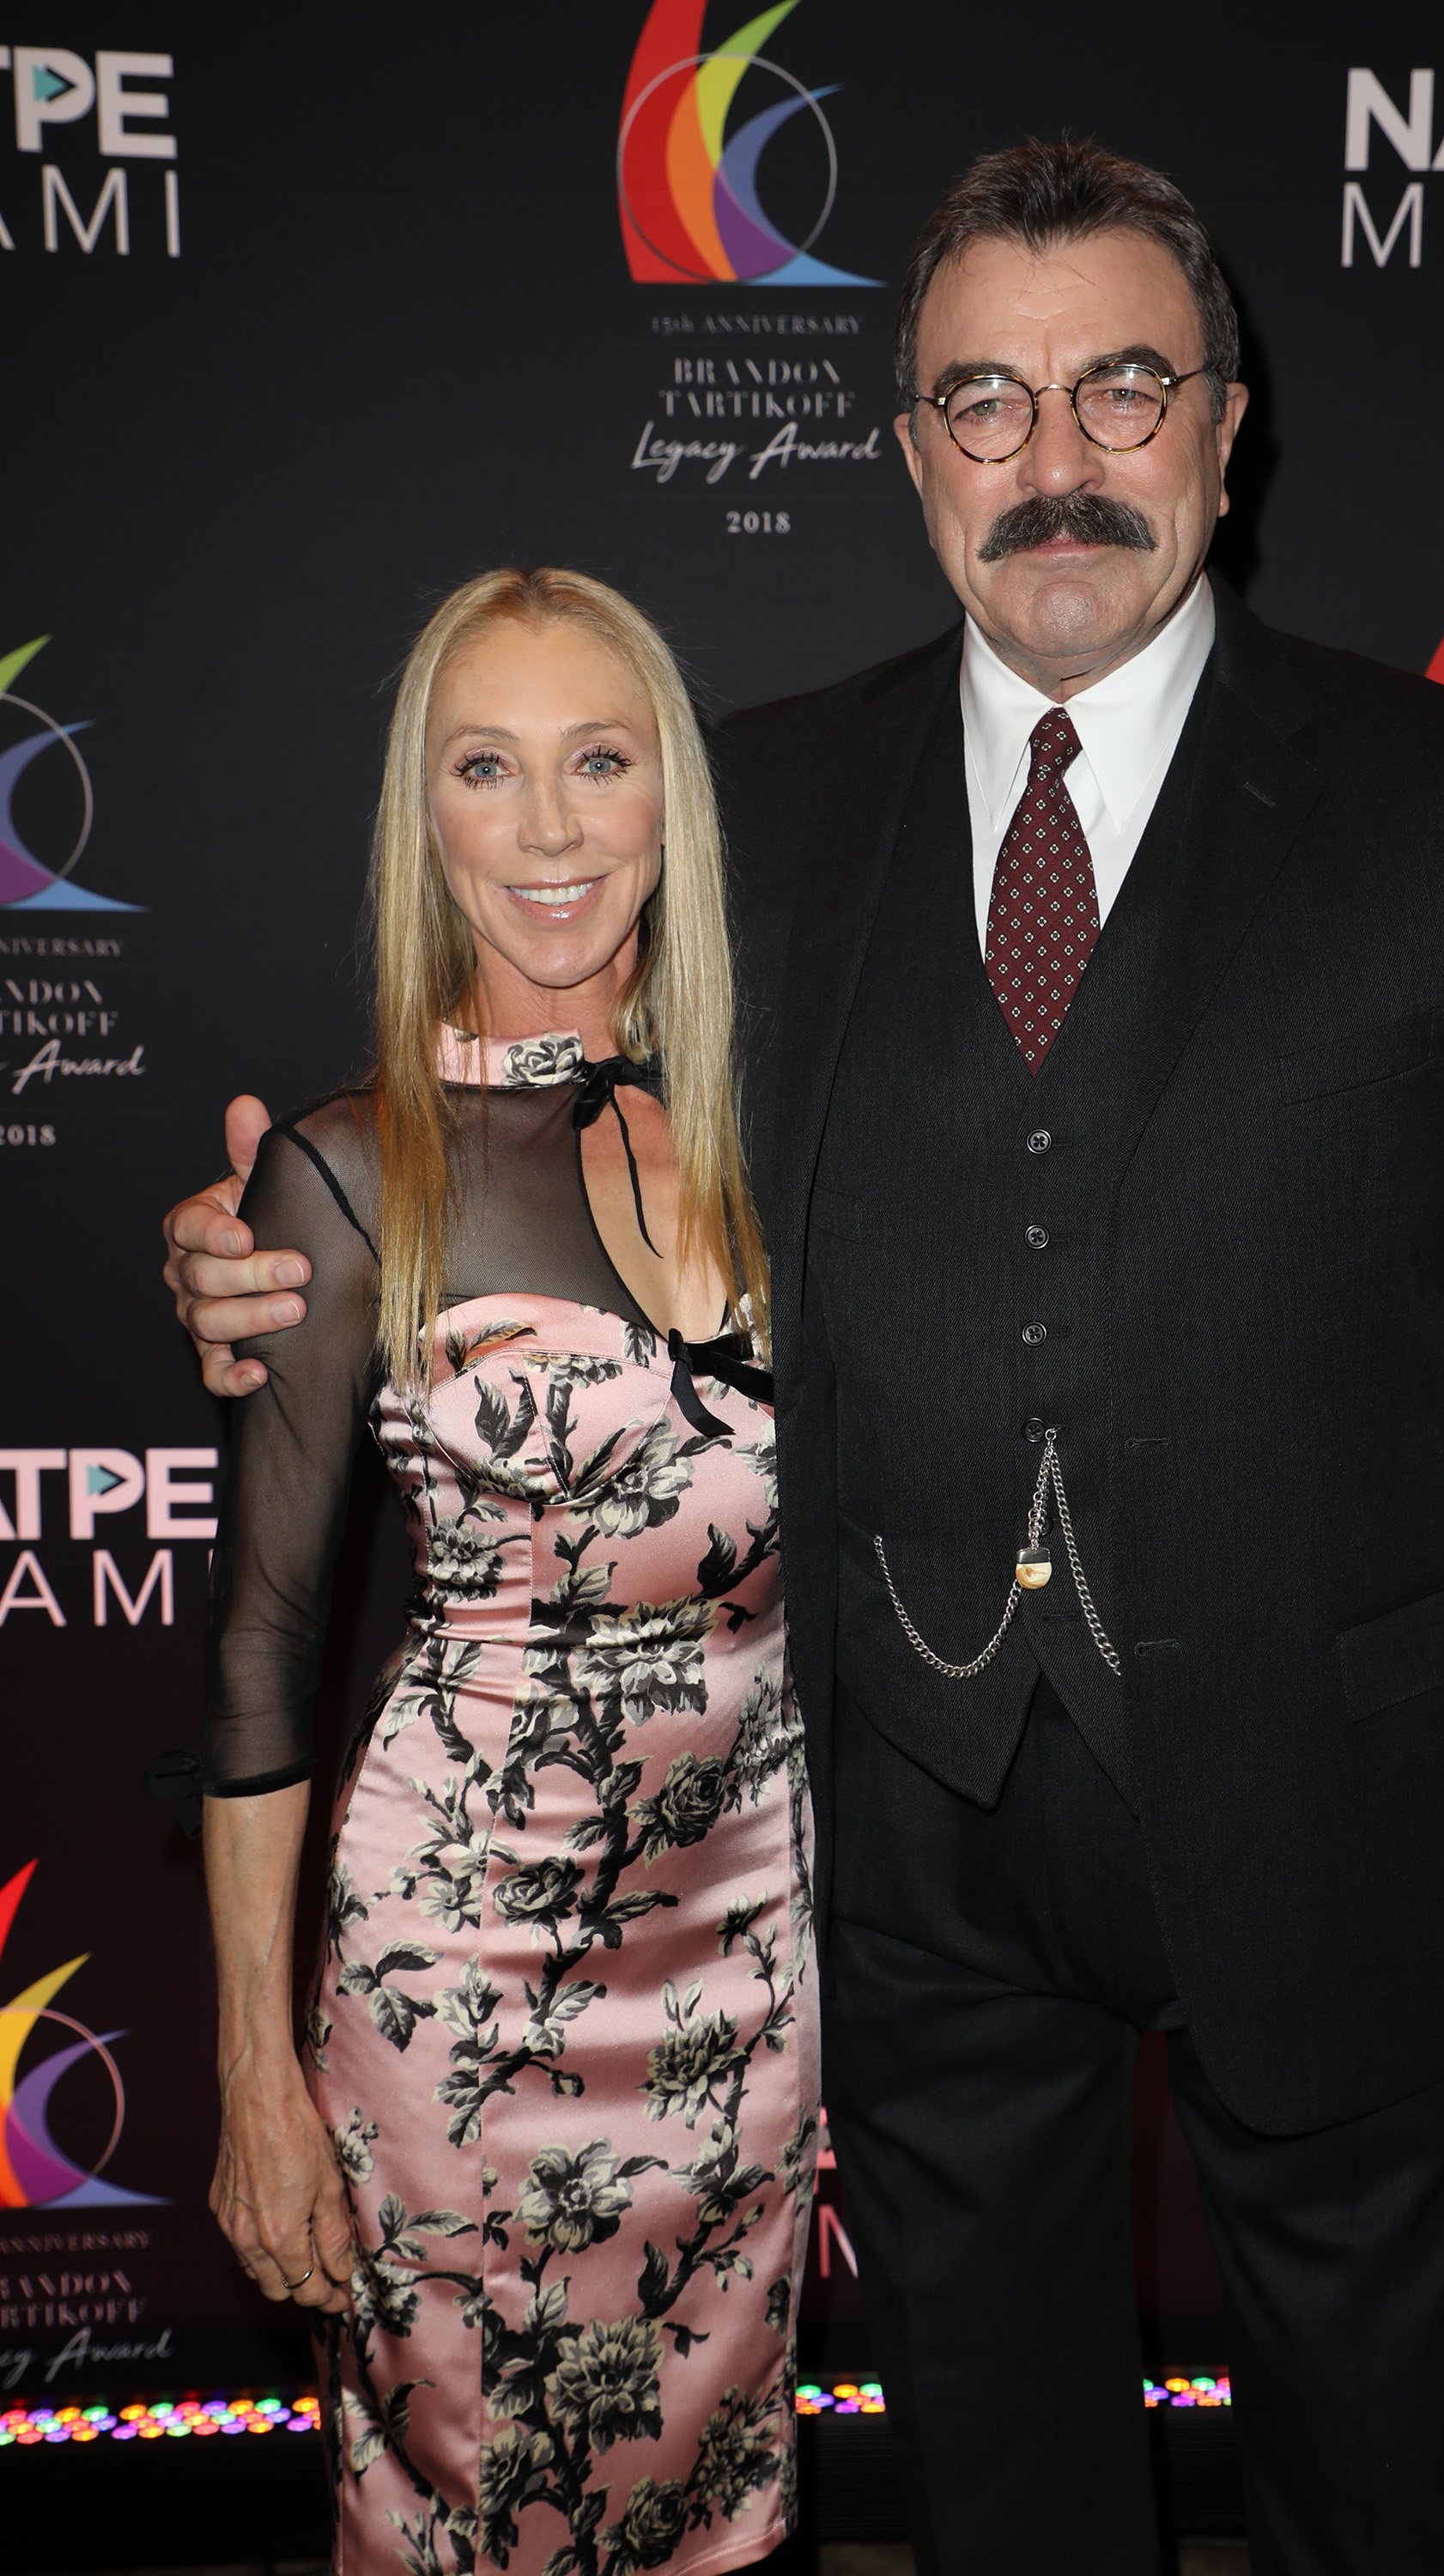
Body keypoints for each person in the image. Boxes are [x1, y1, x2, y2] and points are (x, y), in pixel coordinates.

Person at [167, 146, 1444, 2576]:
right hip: (900, 1838)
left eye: (1119, 386)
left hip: (1328, 1807)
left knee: (1377, 2455)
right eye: (980, 404)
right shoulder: (750, 812)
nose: (1052, 458)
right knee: (999, 2483)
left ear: (1223, 427)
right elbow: (526, 1104)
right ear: (904, 453)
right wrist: (272, 1250)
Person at [191, 567, 815, 2576]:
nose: (550, 831)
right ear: (423, 819)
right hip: (458, 1973)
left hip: (758, 1958)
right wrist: (253, 2070)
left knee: (720, 2488)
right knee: (468, 2496)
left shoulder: (796, 1129)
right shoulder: (353, 1170)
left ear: (670, 803)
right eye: (488, 768)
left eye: (599, 761)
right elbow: (265, 1649)